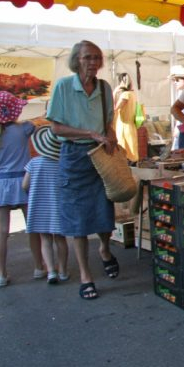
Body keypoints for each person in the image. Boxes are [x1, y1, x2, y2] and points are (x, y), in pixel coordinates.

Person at [47, 40, 119, 300]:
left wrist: (111, 137)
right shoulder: (64, 87)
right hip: (75, 156)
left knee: (104, 211)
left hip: (100, 155)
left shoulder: (104, 87)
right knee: (77, 219)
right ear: (77, 60)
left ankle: (104, 249)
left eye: (97, 58)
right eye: (88, 57)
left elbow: (109, 122)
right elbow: (55, 127)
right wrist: (88, 132)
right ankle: (85, 276)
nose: (93, 62)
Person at [0, 91, 44, 287]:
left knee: (1, 232)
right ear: (14, 111)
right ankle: (39, 267)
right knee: (32, 228)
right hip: (24, 181)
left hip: (2, 184)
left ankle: (1, 274)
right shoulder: (23, 129)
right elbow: (42, 123)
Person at [23, 126, 70, 285]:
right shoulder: (63, 164)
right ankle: (63, 271)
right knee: (61, 239)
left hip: (39, 207)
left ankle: (51, 271)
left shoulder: (34, 163)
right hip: (59, 207)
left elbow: (25, 185)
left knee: (45, 240)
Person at [113, 72, 139, 162]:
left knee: (125, 150)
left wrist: (114, 92)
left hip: (124, 125)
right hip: (131, 125)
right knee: (132, 149)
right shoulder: (133, 94)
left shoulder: (125, 95)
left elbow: (115, 108)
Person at [168, 65, 184, 149]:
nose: (175, 82)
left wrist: (178, 128)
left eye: (177, 80)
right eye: (173, 80)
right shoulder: (182, 92)